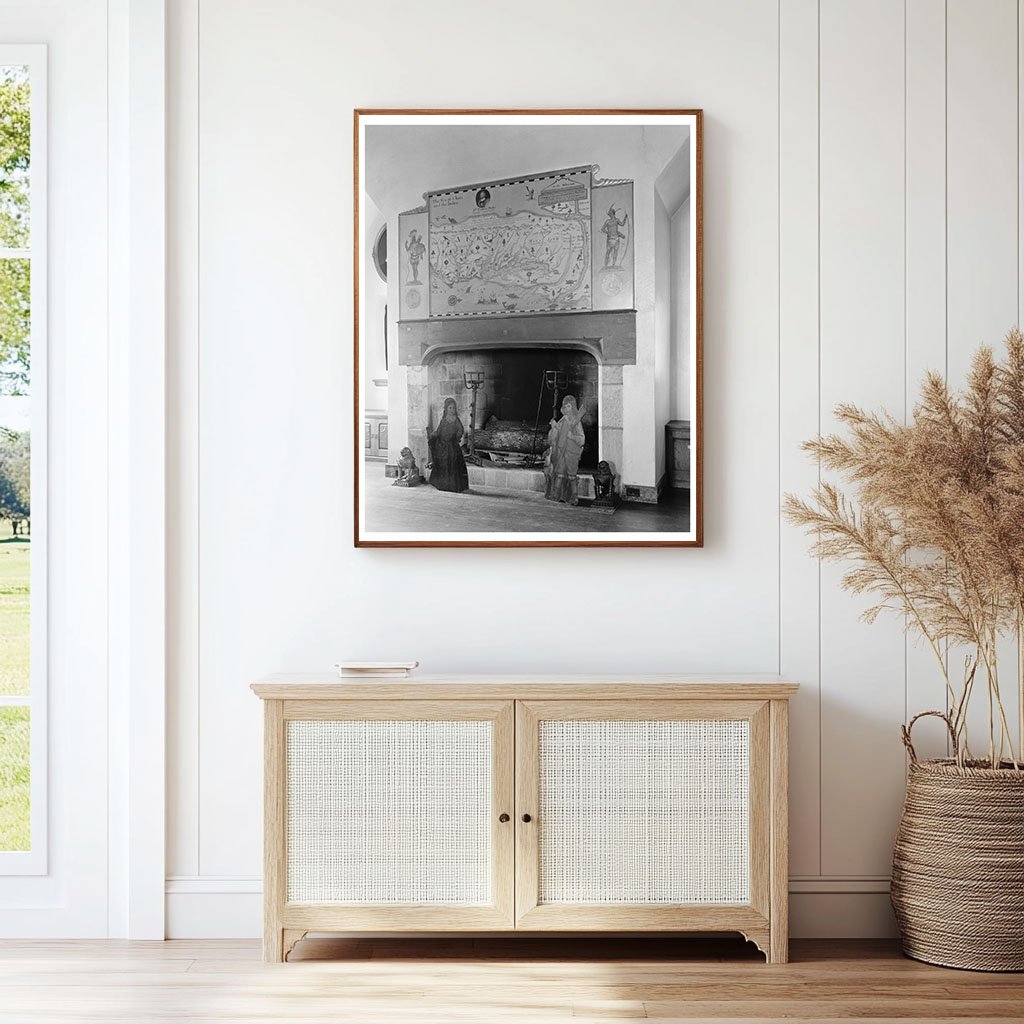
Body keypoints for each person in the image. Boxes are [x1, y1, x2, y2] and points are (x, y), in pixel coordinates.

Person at [545, 395, 586, 505]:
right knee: (559, 474)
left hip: (571, 452)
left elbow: (582, 439)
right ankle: (556, 494)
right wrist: (554, 427)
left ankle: (574, 497)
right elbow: (557, 433)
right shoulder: (563, 420)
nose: (567, 409)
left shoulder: (576, 422)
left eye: (569, 406)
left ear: (572, 407)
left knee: (572, 476)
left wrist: (572, 436)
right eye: (565, 406)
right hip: (561, 451)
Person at [427, 397, 469, 493]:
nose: (452, 410)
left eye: (454, 408)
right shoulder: (443, 420)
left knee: (453, 462)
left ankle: (453, 485)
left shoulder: (456, 419)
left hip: (452, 445)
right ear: (446, 409)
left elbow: (461, 429)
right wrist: (433, 434)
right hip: (442, 445)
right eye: (450, 408)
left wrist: (457, 436)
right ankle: (444, 484)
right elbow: (439, 431)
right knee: (443, 463)